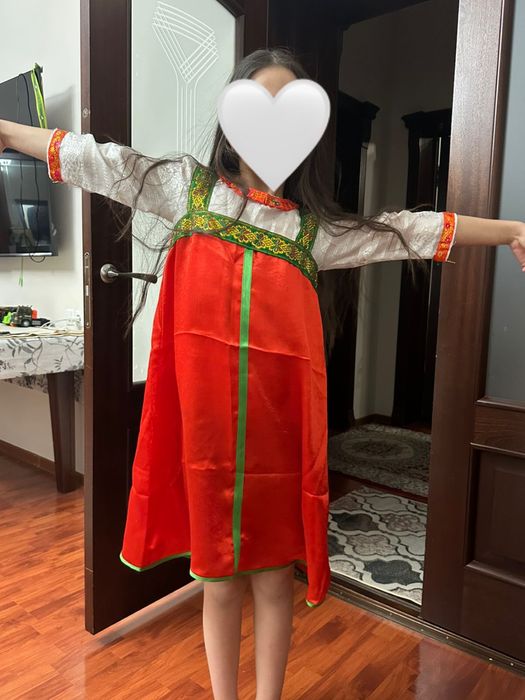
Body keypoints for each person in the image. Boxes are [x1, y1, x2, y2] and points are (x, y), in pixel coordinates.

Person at [1, 46, 524, 700]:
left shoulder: (311, 232)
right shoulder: (185, 189)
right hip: (205, 446)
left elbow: (405, 231)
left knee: (275, 581)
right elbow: (93, 158)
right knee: (216, 583)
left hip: (277, 449)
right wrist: (7, 132)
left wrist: (509, 229)